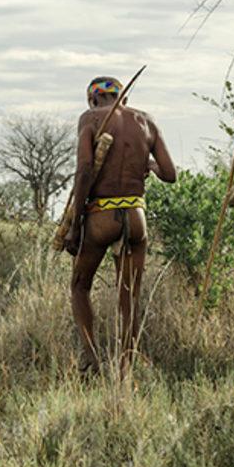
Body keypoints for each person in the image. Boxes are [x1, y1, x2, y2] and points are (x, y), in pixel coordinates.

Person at [63, 76, 176, 377]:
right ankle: (126, 367)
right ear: (123, 99)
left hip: (101, 214)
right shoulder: (146, 121)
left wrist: (76, 224)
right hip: (136, 216)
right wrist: (150, 166)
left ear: (93, 99)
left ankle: (91, 359)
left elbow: (84, 170)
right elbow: (170, 174)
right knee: (129, 296)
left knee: (79, 286)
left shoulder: (90, 118)